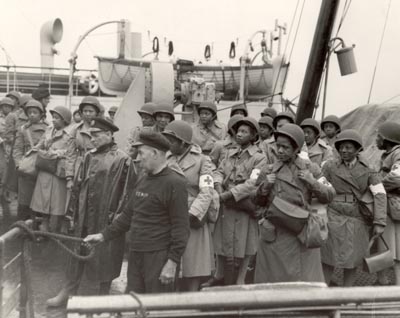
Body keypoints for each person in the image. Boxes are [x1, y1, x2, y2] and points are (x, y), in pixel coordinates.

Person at [84, 130, 190, 294]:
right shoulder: (143, 178)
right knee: (134, 303)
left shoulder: (175, 183)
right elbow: (128, 216)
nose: (137, 158)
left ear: (155, 153)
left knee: (156, 308)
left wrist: (172, 263)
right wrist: (102, 235)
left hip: (158, 257)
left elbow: (181, 228)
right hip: (136, 253)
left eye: (141, 153)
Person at [47, 118, 131, 306]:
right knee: (77, 253)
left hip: (105, 218)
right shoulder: (88, 156)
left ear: (109, 135)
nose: (92, 139)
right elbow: (77, 186)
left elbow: (126, 195)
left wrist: (116, 220)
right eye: (91, 135)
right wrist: (71, 214)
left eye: (97, 135)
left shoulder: (122, 159)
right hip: (84, 215)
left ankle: (103, 296)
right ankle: (67, 292)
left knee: (106, 258)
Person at [254, 124, 335, 283]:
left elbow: (329, 194)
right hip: (275, 233)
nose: (280, 151)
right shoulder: (268, 170)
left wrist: (312, 182)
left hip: (301, 232)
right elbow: (255, 201)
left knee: (304, 283)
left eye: (286, 147)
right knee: (273, 284)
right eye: (278, 146)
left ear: (297, 148)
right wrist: (265, 186)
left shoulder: (311, 168)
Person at [321, 129, 386, 286]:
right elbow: (320, 190)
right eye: (341, 147)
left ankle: (347, 295)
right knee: (328, 257)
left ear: (358, 149)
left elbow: (379, 194)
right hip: (333, 215)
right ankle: (321, 294)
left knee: (352, 259)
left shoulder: (368, 169)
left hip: (357, 218)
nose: (344, 150)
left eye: (349, 147)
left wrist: (379, 221)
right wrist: (319, 214)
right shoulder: (329, 167)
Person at [211, 117, 266, 286]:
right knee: (221, 239)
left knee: (246, 242)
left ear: (253, 135)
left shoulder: (259, 158)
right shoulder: (229, 153)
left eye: (244, 132)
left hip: (244, 203)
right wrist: (218, 186)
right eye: (238, 131)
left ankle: (241, 278)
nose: (240, 135)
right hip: (226, 201)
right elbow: (219, 171)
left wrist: (229, 195)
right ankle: (219, 274)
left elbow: (252, 183)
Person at [163, 120, 215, 291]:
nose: (168, 144)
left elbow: (207, 190)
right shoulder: (165, 158)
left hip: (193, 217)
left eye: (171, 140)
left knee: (193, 265)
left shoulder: (202, 161)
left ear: (183, 142)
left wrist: (192, 213)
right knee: (171, 264)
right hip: (169, 214)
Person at [30, 106, 74, 233]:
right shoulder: (49, 130)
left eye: (57, 118)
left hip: (58, 172)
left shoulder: (69, 135)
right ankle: (43, 229)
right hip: (45, 170)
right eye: (53, 117)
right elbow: (40, 145)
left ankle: (54, 231)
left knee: (57, 205)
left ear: (65, 120)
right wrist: (41, 151)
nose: (53, 120)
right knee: (43, 203)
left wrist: (56, 153)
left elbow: (71, 153)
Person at [13, 100, 48, 220]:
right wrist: (19, 164)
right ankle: (22, 230)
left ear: (41, 114)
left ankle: (37, 232)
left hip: (42, 168)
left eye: (35, 112)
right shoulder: (23, 129)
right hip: (26, 170)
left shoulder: (48, 129)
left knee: (40, 201)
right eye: (29, 112)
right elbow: (17, 149)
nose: (32, 115)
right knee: (24, 201)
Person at [375, 122, 400, 285]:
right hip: (388, 204)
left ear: (387, 139)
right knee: (387, 246)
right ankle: (383, 282)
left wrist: (376, 186)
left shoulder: (398, 153)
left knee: (395, 247)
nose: (377, 140)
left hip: (394, 204)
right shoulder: (390, 154)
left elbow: (397, 177)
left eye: (379, 136)